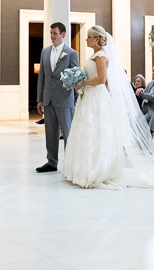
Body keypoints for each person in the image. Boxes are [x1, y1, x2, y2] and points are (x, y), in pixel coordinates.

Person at [62, 26, 125, 187]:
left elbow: (102, 79)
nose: (86, 39)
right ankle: (81, 168)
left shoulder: (101, 55)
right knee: (84, 130)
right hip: (88, 96)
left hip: (96, 97)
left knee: (95, 130)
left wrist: (83, 82)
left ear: (97, 39)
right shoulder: (95, 55)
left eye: (89, 36)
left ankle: (95, 169)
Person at [35, 22, 81, 173]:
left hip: (64, 98)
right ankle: (52, 162)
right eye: (51, 33)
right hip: (48, 99)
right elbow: (42, 76)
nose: (52, 36)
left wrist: (73, 94)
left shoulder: (71, 53)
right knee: (50, 133)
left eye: (55, 33)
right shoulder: (45, 52)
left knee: (68, 133)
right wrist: (40, 99)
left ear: (63, 34)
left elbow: (75, 76)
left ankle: (70, 164)